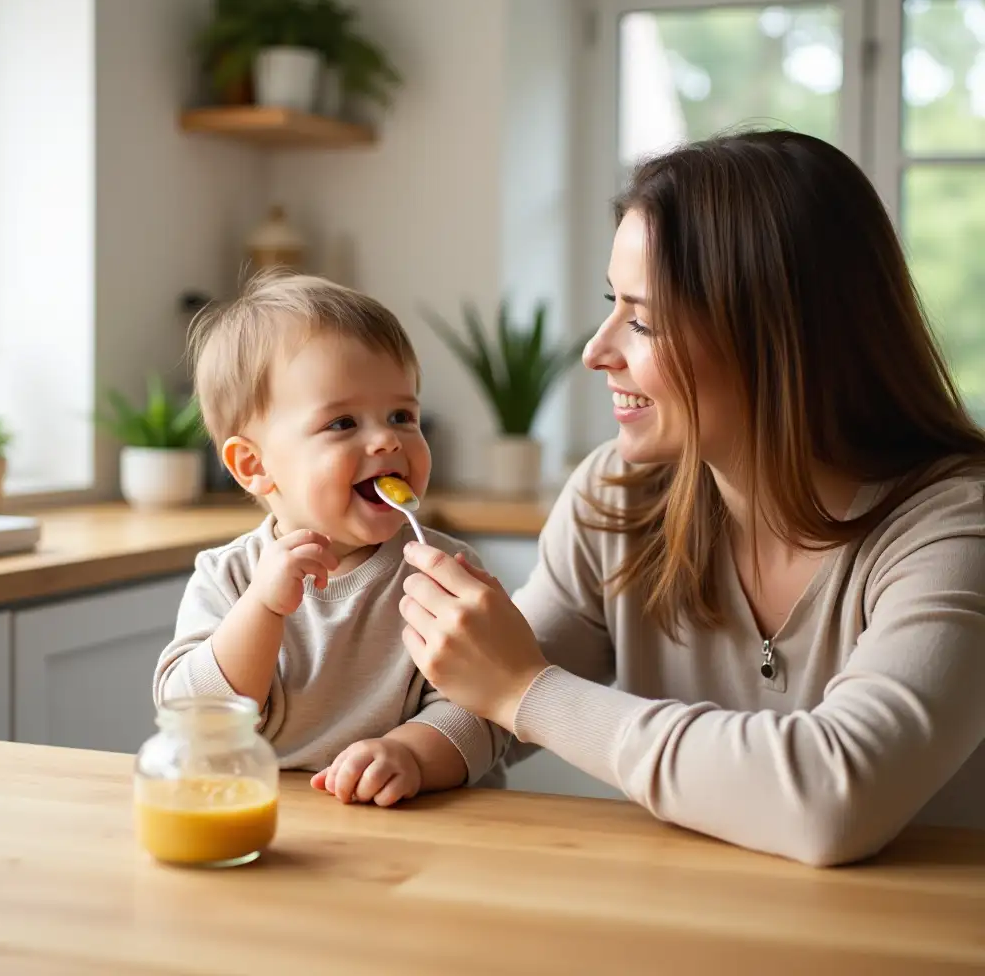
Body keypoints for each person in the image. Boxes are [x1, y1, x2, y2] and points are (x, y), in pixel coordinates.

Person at [397, 130, 985, 865]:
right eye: (614, 304)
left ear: (777, 338)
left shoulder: (956, 530)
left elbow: (837, 796)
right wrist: (409, 751)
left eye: (643, 320)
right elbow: (490, 695)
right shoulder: (619, 495)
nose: (597, 350)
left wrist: (526, 692)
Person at [154, 271, 506, 807]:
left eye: (401, 415)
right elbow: (192, 715)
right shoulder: (228, 577)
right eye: (343, 423)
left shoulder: (442, 572)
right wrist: (262, 607)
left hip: (422, 824)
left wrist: (410, 754)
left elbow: (484, 711)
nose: (388, 439)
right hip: (268, 816)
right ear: (254, 465)